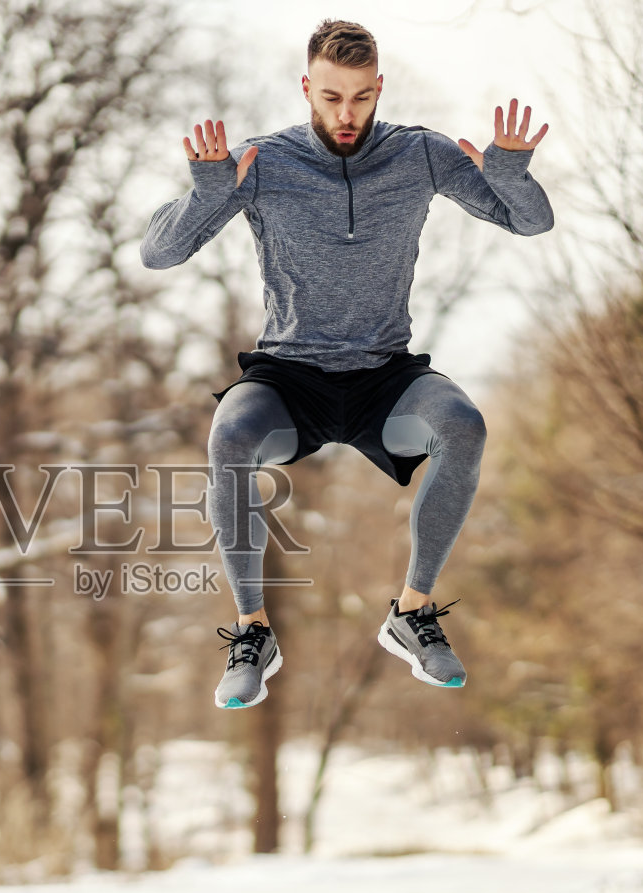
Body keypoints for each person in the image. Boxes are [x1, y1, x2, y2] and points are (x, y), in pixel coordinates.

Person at [139, 19, 553, 708]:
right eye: (331, 97)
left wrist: (509, 174)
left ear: (379, 88)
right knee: (230, 437)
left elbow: (531, 220)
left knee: (464, 426)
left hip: (385, 376)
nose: (346, 114)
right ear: (307, 88)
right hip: (287, 378)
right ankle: (252, 631)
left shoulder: (420, 154)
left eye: (361, 97)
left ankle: (412, 612)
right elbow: (158, 253)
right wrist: (207, 195)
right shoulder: (263, 162)